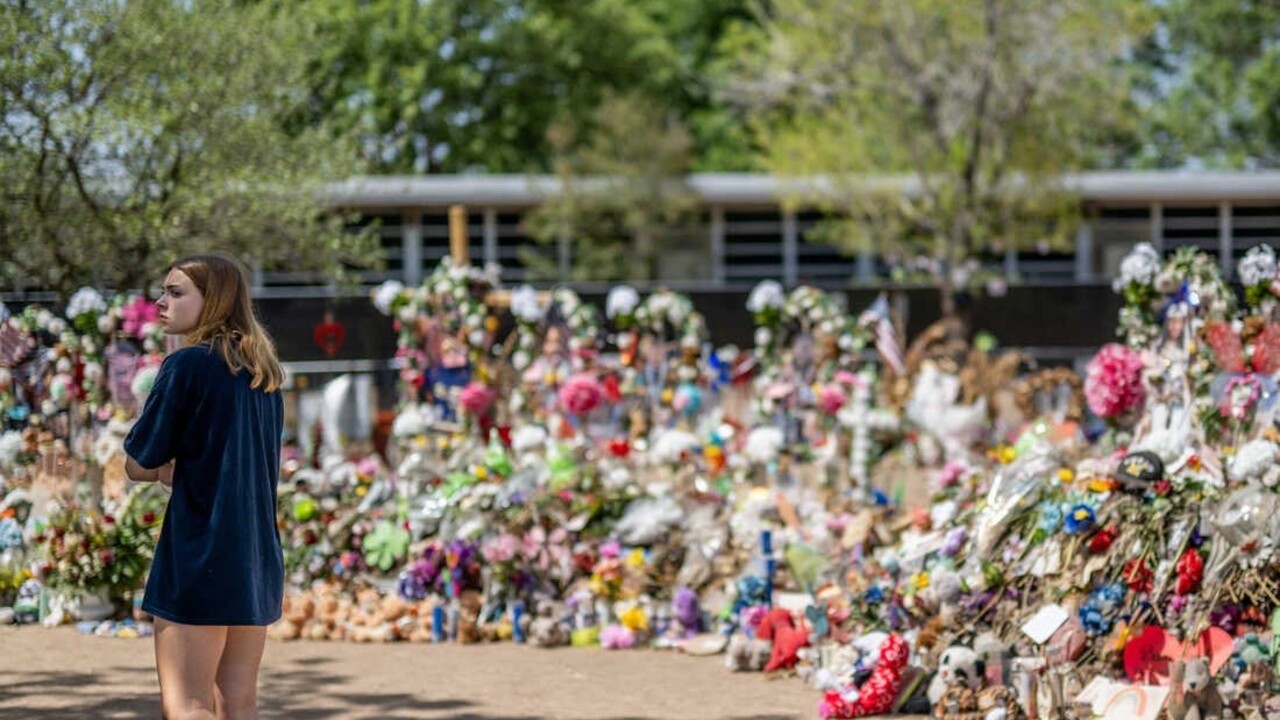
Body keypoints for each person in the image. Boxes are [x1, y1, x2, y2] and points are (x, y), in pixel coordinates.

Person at [124, 254, 285, 720]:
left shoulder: (188, 365)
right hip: (255, 557)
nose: (161, 302)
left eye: (176, 293)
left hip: (199, 552)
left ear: (213, 301)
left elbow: (139, 460)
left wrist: (159, 470)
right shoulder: (265, 373)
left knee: (188, 704)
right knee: (237, 704)